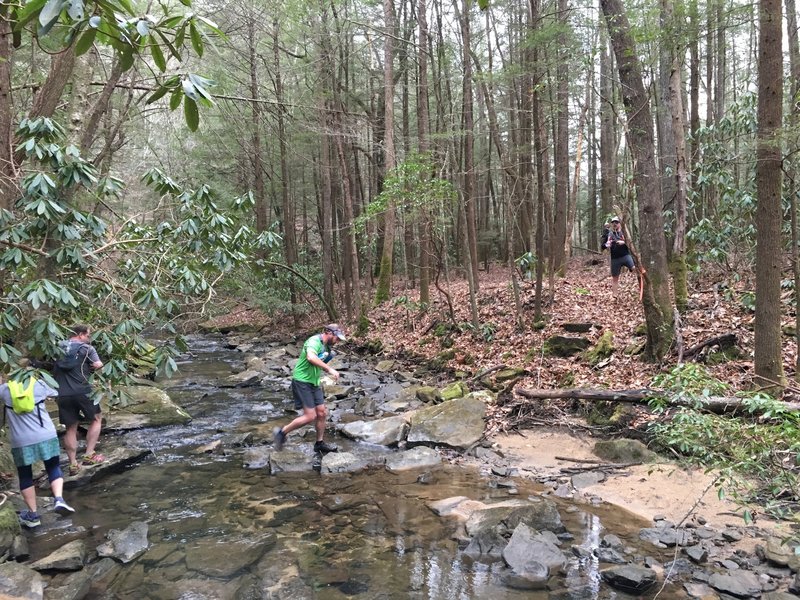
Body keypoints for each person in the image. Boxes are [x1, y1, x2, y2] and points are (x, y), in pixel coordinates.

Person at [0, 375, 75, 528]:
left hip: (21, 440)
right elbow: (56, 391)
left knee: (25, 474)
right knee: (53, 467)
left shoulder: (4, 390)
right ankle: (59, 499)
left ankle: (33, 516)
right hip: (45, 434)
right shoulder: (38, 384)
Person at [273, 323, 346, 454]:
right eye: (337, 338)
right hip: (302, 380)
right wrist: (330, 369)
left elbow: (319, 362)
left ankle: (319, 443)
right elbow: (311, 357)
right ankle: (281, 433)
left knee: (322, 413)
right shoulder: (313, 341)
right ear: (329, 333)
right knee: (310, 416)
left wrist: (327, 363)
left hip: (314, 382)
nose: (338, 341)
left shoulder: (327, 348)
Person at [52, 325, 105, 475]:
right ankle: (89, 455)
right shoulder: (86, 349)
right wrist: (92, 367)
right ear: (81, 335)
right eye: (88, 335)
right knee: (96, 419)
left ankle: (73, 464)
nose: (89, 339)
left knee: (70, 427)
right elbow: (98, 364)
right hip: (83, 391)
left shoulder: (57, 348)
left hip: (62, 393)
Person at [601, 216, 636, 297]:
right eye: (613, 223)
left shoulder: (624, 233)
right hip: (615, 259)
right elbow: (603, 246)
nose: (615, 224)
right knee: (615, 277)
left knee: (634, 268)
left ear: (620, 224)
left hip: (625, 256)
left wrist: (623, 242)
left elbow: (630, 243)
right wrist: (607, 244)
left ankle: (642, 288)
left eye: (616, 222)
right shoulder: (609, 234)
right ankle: (615, 296)